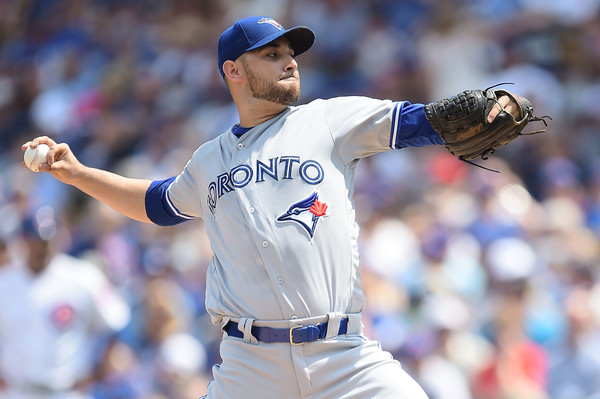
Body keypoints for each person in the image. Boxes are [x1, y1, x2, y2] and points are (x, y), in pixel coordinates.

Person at [22, 16, 525, 399]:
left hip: (342, 356)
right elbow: (157, 204)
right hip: (249, 366)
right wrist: (77, 173)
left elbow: (417, 121)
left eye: (291, 52)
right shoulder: (208, 160)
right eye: (272, 54)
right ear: (233, 70)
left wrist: (482, 111)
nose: (290, 61)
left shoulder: (329, 120)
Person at [0, 207, 131, 399]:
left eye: (47, 240)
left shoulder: (82, 277)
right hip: (16, 391)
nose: (42, 247)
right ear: (23, 240)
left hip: (66, 391)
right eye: (36, 241)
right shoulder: (5, 281)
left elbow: (117, 321)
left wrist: (98, 371)